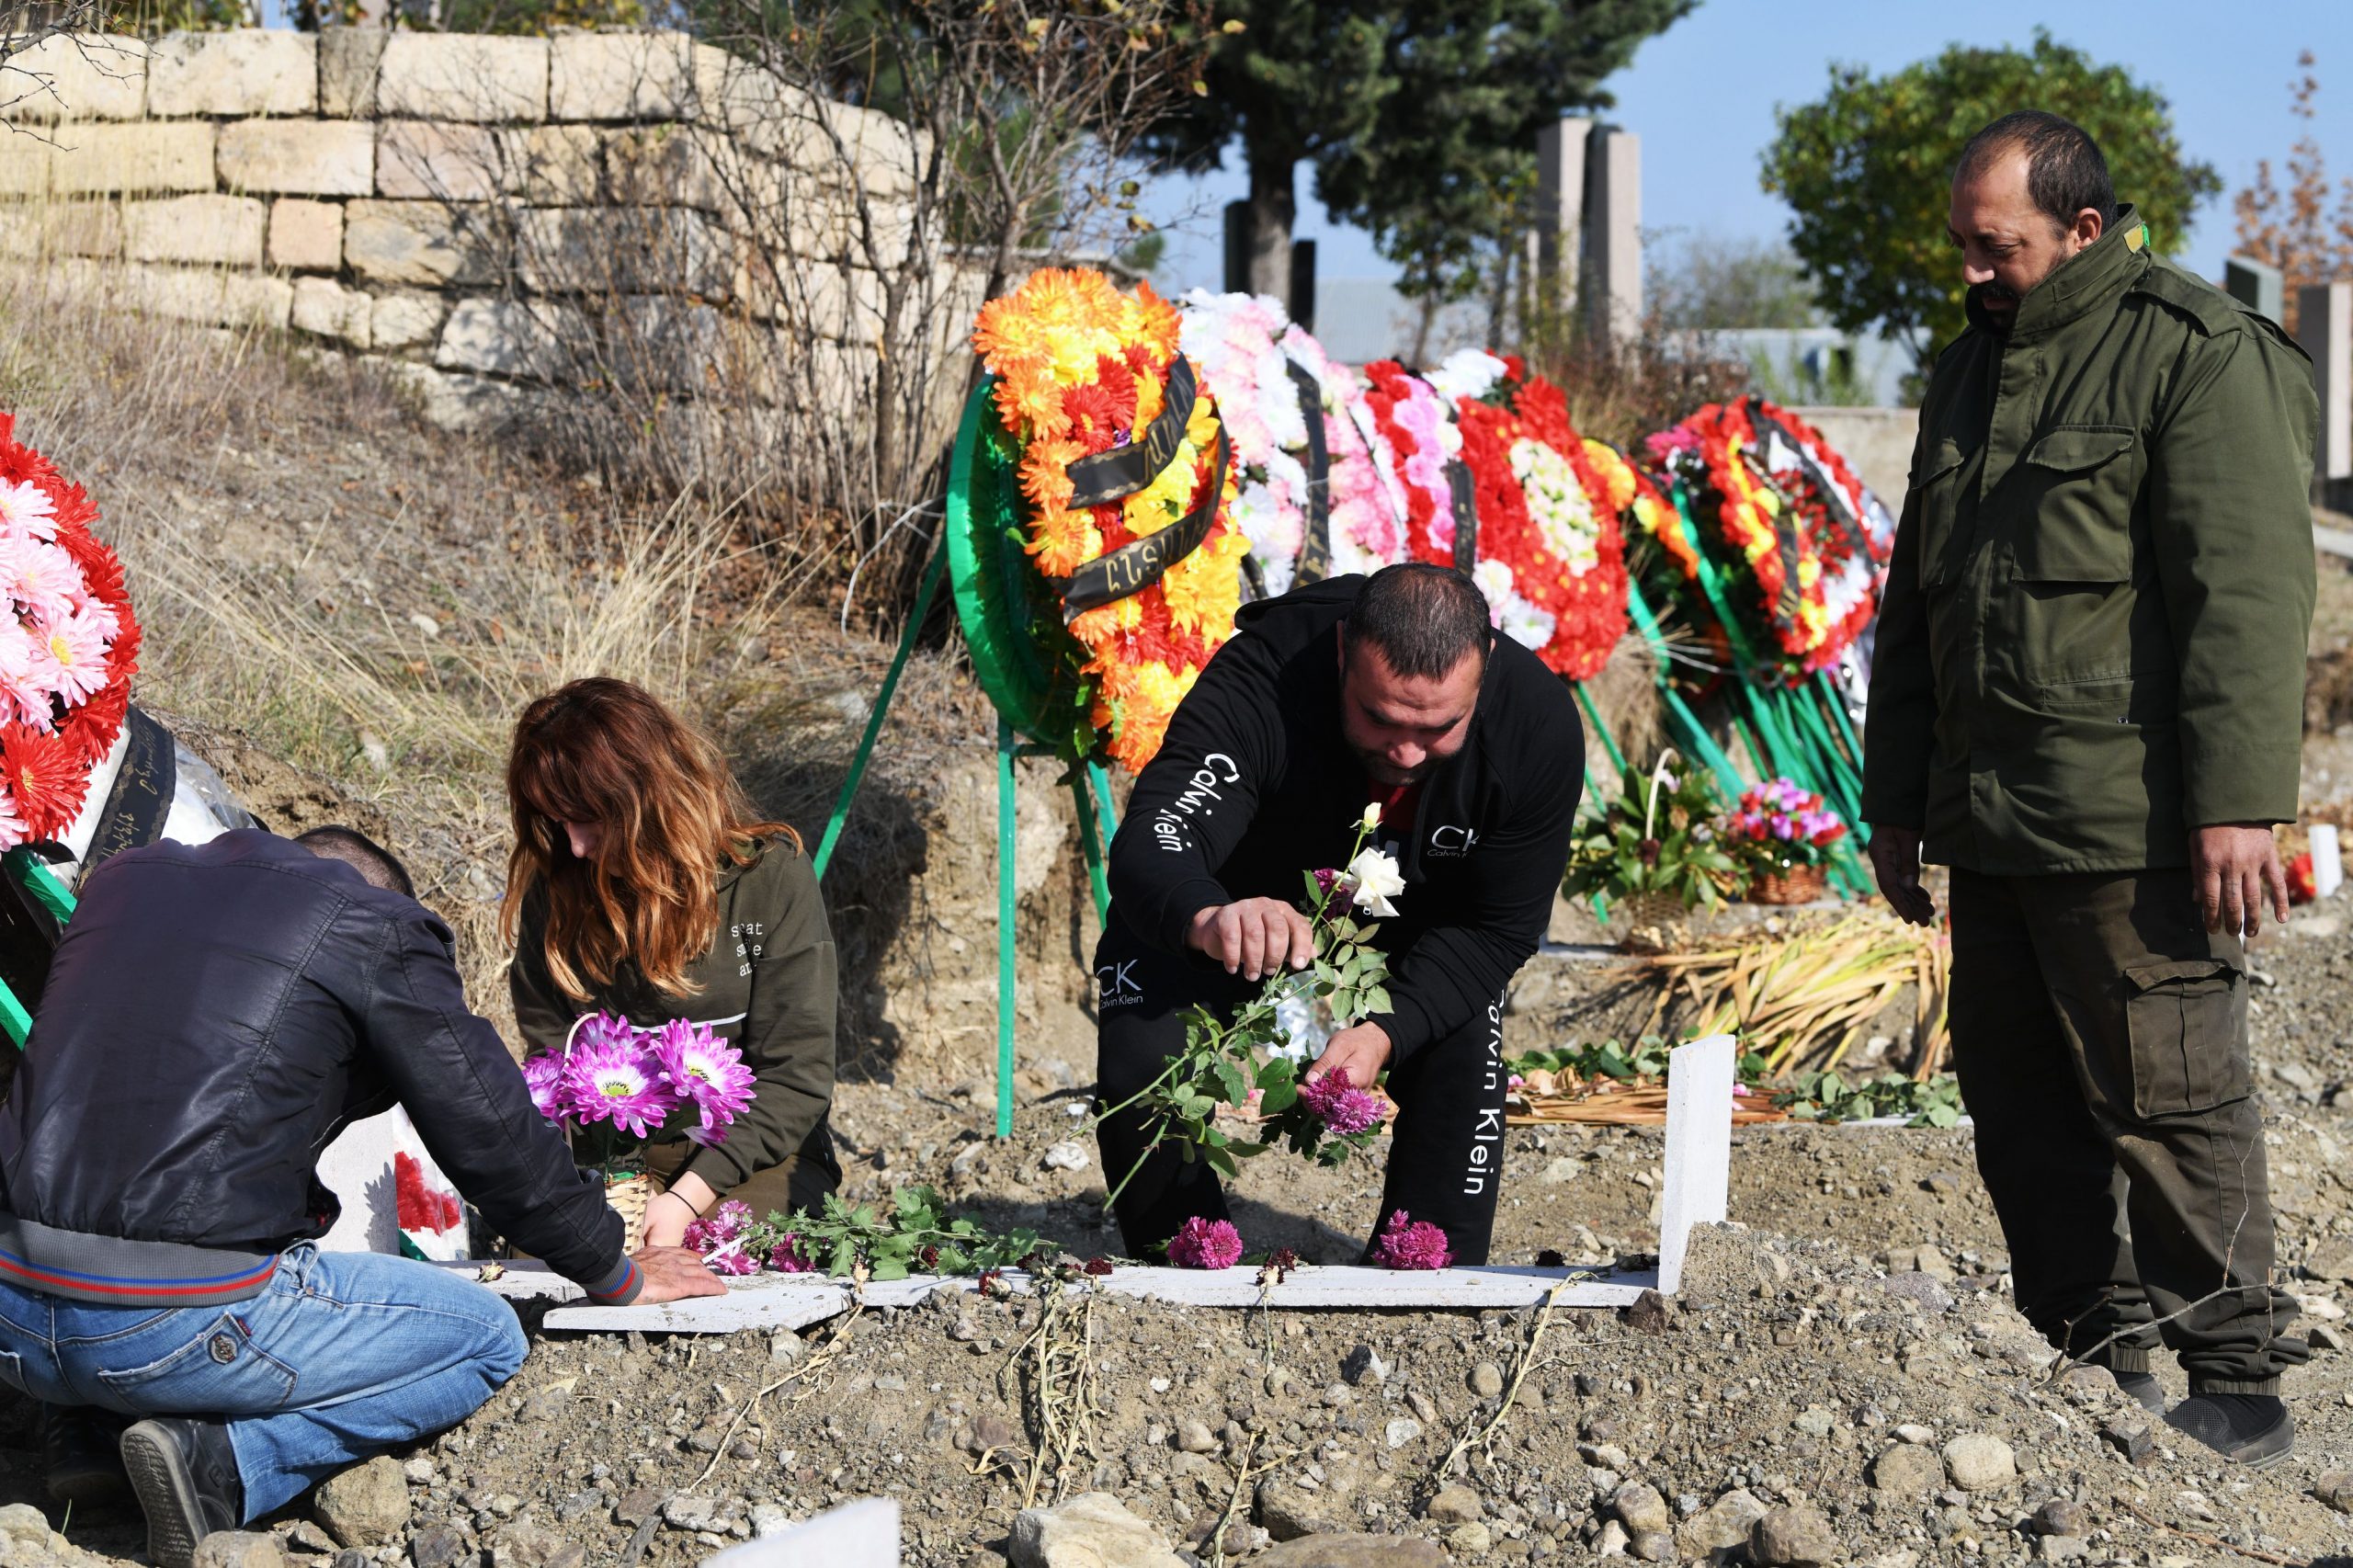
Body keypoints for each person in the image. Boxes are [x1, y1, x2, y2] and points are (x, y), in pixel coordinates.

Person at [1862, 111, 2316, 1466]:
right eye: (1962, 246)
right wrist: (1899, 799)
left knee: (2170, 1096)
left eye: (1995, 247)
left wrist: (2238, 802)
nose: (1971, 271)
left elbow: (2244, 595)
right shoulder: (1971, 368)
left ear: (2083, 229)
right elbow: (1917, 604)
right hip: (1994, 814)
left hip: (2130, 819)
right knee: (2019, 1099)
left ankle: (2237, 1375)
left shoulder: (2196, 353)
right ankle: (2091, 1349)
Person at [0, 826, 723, 1568]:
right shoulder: (372, 925)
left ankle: (79, 1425)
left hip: (13, 1319)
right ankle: (220, 1460)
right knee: (486, 1337)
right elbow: (485, 1125)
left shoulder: (125, 885)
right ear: (373, 888)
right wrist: (613, 1267)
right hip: (176, 1331)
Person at [1095, 562, 1583, 1266]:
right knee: (1140, 1043)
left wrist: (1387, 1032)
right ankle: (1183, 1273)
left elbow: (1496, 929)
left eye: (1439, 728)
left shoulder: (1535, 725)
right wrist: (1207, 914)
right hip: (1236, 917)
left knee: (1466, 1035)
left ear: (1486, 673)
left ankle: (1424, 1279)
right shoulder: (1265, 675)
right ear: (1341, 653)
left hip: (1406, 933)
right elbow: (1154, 840)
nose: (1406, 752)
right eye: (1380, 717)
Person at [504, 677, 840, 1245]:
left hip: (751, 1156)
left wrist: (685, 1198)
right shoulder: (559, 888)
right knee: (570, 1262)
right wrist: (617, 1183)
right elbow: (552, 1060)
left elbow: (798, 1079)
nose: (577, 845)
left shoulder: (769, 883)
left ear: (648, 799)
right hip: (605, 1157)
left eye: (590, 818)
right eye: (560, 823)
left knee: (726, 1254)